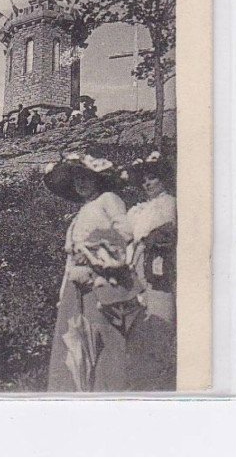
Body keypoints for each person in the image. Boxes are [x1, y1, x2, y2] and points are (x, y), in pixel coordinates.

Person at [43, 154, 147, 392]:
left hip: (102, 279)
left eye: (85, 177)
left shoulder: (108, 199)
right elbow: (71, 257)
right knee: (75, 338)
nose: (80, 183)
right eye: (76, 179)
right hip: (77, 284)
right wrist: (63, 291)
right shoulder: (82, 210)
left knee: (104, 337)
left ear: (96, 178)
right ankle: (78, 391)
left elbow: (126, 235)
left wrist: (99, 253)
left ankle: (106, 391)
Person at [124, 152, 178, 390]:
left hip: (158, 262)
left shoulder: (170, 203)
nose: (147, 184)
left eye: (152, 178)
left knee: (160, 307)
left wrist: (152, 240)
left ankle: (161, 369)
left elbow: (170, 233)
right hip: (136, 260)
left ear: (163, 179)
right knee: (140, 312)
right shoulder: (138, 210)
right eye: (144, 180)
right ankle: (142, 371)